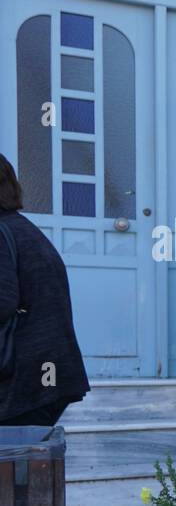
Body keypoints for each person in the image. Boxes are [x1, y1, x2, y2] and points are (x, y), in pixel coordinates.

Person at [0, 154, 89, 426]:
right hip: (44, 377)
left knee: (18, 466)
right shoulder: (23, 229)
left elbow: (3, 303)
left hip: (24, 381)